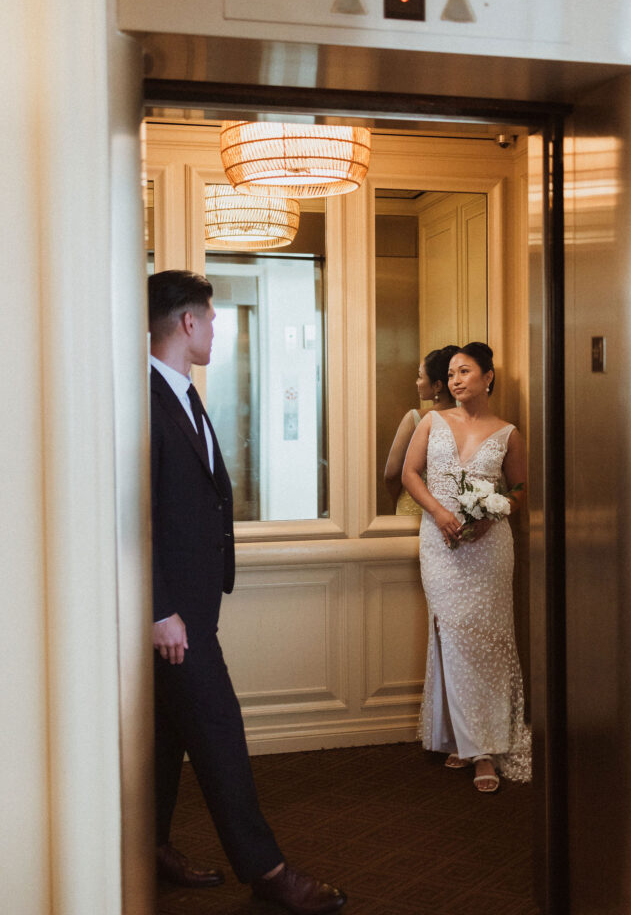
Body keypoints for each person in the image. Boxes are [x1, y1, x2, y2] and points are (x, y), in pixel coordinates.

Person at [149, 270, 346, 914]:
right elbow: (130, 514)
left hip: (195, 604)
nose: (214, 329)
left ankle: (148, 846)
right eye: (210, 318)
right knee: (218, 729)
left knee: (167, 735)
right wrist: (158, 610)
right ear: (187, 323)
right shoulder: (141, 396)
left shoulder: (182, 393)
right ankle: (269, 873)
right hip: (173, 615)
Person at [401, 342, 531, 792]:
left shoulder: (508, 432)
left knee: (489, 639)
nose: (455, 380)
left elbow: (517, 488)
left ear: (488, 377)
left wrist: (494, 512)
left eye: (465, 372)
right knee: (453, 634)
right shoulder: (432, 421)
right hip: (440, 546)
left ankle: (476, 743)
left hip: (489, 548)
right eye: (452, 373)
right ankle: (474, 745)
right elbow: (409, 474)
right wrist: (439, 513)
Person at [383, 345, 460, 515]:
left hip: (415, 507)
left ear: (437, 385)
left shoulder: (415, 418)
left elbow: (392, 473)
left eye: (420, 377)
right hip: (453, 509)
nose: (417, 383)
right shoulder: (468, 420)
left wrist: (397, 499)